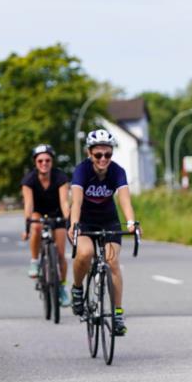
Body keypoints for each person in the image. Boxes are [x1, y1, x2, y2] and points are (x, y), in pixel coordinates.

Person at [68, 129, 138, 335]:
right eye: (98, 155)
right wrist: (74, 224)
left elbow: (125, 199)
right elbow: (77, 201)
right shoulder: (82, 171)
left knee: (112, 261)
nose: (103, 159)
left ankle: (117, 313)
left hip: (109, 221)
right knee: (85, 253)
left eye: (107, 154)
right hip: (85, 221)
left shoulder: (117, 171)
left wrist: (131, 221)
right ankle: (78, 289)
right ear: (89, 153)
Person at [21, 144, 71, 307]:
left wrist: (69, 222)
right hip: (38, 213)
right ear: (35, 162)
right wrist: (27, 226)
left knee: (61, 254)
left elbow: (64, 202)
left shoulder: (60, 177)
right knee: (36, 227)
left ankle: (62, 287)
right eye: (40, 160)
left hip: (56, 214)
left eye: (47, 160)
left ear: (52, 161)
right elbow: (28, 204)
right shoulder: (29, 180)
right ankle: (35, 261)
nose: (44, 163)